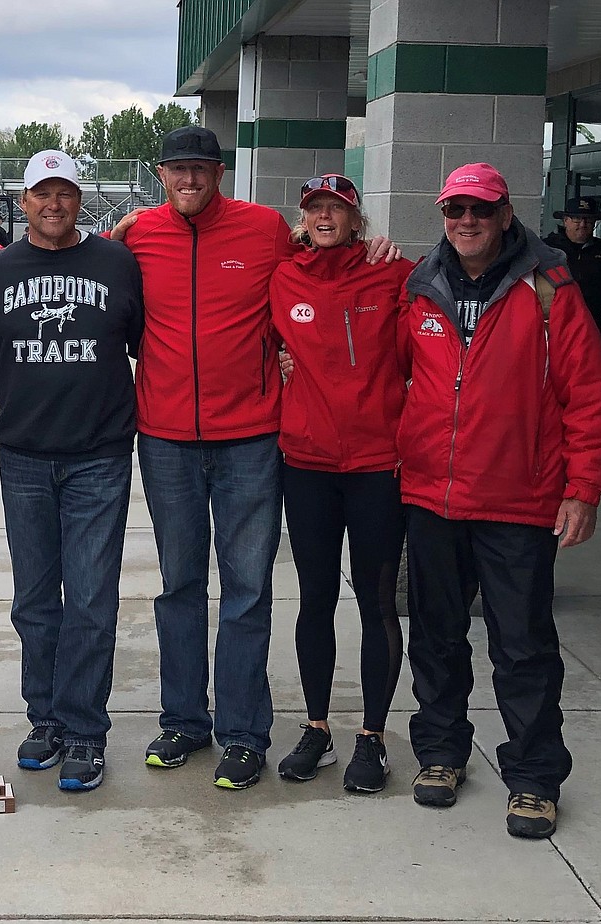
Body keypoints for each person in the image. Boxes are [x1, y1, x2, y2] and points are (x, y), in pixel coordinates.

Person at [110, 126, 396, 790]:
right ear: (161, 174)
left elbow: (325, 249)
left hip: (250, 441)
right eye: (177, 169)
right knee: (180, 587)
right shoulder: (137, 236)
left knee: (246, 591)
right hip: (167, 438)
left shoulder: (265, 229)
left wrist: (376, 245)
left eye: (201, 169)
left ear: (219, 171)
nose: (190, 180)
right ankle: (184, 720)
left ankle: (242, 732)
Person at [398, 163, 601, 838]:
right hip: (433, 495)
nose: (467, 221)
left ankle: (533, 777)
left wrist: (584, 488)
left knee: (522, 647)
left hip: (518, 499)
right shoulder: (418, 285)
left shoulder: (551, 286)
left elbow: (587, 394)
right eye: (455, 209)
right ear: (442, 214)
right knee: (435, 636)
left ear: (505, 214)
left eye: (481, 211)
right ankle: (440, 753)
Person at [0, 150, 143, 791]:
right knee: (36, 604)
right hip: (24, 459)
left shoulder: (117, 264)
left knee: (91, 603)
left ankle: (86, 732)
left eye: (65, 192)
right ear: (23, 202)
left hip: (99, 457)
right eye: (42, 193)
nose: (54, 204)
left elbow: (149, 339)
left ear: (79, 199)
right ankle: (45, 719)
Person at [269, 175, 413, 793]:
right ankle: (318, 727)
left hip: (378, 465)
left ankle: (373, 738)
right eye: (315, 209)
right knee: (315, 599)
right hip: (307, 463)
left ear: (358, 221)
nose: (326, 217)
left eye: (338, 209)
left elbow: (420, 357)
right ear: (304, 219)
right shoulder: (284, 277)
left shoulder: (395, 275)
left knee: (379, 602)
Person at [544, 196, 601, 370]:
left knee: (596, 388)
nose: (582, 224)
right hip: (553, 332)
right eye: (576, 218)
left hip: (593, 331)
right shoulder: (547, 249)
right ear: (565, 220)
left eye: (588, 219)